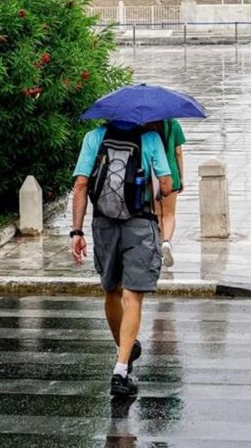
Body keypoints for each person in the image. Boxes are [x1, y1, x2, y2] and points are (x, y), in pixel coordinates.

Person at [71, 120, 172, 396]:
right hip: (140, 223)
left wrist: (76, 231)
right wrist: (157, 185)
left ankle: (123, 348)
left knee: (112, 290)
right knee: (133, 295)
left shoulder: (94, 137)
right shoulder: (151, 138)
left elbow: (81, 185)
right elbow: (166, 185)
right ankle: (121, 368)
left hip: (103, 224)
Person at [154, 119, 185, 267]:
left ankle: (159, 244)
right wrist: (181, 177)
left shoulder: (147, 125)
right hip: (171, 174)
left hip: (153, 175)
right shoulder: (174, 124)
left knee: (157, 214)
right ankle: (166, 242)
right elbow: (178, 152)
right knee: (169, 214)